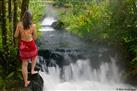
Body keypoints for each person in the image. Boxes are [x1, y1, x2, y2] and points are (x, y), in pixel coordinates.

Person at [14, 10, 38, 87]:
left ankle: (25, 82)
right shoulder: (33, 26)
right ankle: (32, 70)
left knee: (24, 64)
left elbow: (15, 35)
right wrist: (30, 35)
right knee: (34, 56)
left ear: (23, 17)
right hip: (31, 44)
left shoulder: (19, 24)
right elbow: (35, 37)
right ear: (31, 17)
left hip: (23, 45)